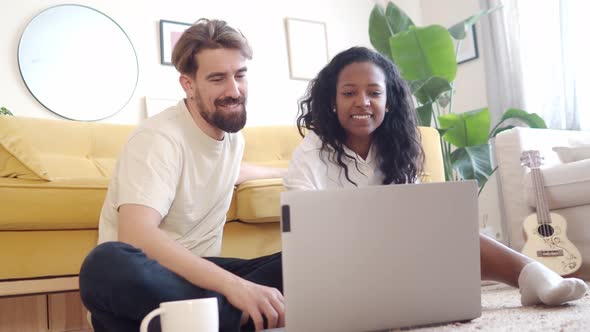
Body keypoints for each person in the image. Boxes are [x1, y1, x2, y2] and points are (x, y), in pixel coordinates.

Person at [283, 46, 588, 307]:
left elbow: (416, 215)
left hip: (398, 260)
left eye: (374, 92)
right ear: (332, 102)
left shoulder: (398, 147)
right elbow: (303, 233)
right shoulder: (310, 153)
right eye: (349, 93)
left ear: (388, 103)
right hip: (340, 266)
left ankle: (533, 276)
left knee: (451, 227)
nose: (363, 101)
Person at [79, 19, 285, 332]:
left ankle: (227, 316)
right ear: (188, 85)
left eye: (240, 75)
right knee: (104, 264)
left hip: (202, 279)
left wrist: (288, 171)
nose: (234, 90)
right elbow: (137, 235)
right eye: (217, 79)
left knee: (302, 261)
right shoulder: (159, 138)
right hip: (151, 278)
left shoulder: (232, 138)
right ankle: (239, 316)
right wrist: (236, 288)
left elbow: (228, 172)